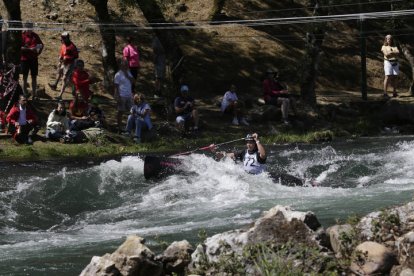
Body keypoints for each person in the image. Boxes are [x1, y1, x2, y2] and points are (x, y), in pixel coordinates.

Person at [49, 32, 79, 99]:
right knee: (60, 73)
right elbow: (62, 54)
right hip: (64, 63)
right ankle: (55, 85)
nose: (61, 40)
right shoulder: (63, 45)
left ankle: (60, 95)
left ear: (67, 38)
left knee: (65, 79)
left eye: (63, 39)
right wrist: (60, 60)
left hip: (70, 64)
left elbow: (76, 57)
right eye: (61, 39)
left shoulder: (72, 47)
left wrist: (74, 66)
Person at [20, 22, 43, 100]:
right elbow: (20, 47)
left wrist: (38, 51)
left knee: (34, 77)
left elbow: (41, 45)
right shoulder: (22, 36)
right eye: (28, 27)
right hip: (24, 59)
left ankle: (34, 94)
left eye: (31, 27)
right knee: (25, 77)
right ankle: (25, 93)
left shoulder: (35, 36)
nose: (30, 29)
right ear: (25, 28)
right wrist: (30, 49)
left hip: (33, 59)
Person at [114, 59, 134, 132]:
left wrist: (127, 75)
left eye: (126, 64)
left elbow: (133, 81)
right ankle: (119, 126)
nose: (126, 66)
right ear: (121, 65)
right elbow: (116, 86)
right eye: (124, 64)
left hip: (129, 95)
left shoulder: (129, 72)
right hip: (121, 95)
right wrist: (117, 96)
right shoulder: (118, 75)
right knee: (121, 111)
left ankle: (131, 126)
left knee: (132, 111)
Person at [381, 34, 400, 98]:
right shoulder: (384, 47)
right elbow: (386, 55)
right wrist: (393, 53)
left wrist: (391, 53)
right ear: (386, 39)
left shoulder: (394, 46)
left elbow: (398, 52)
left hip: (395, 62)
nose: (389, 40)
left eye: (390, 38)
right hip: (388, 62)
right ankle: (385, 93)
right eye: (388, 38)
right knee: (387, 76)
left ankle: (394, 92)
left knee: (395, 77)